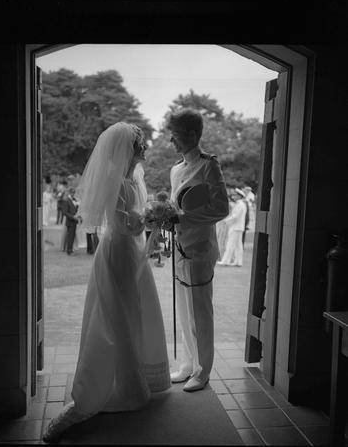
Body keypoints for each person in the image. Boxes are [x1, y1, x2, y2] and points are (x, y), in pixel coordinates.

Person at [43, 122, 170, 443]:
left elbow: (135, 218)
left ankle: (133, 379)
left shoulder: (134, 178)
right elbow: (124, 224)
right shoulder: (114, 178)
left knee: (134, 313)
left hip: (134, 252)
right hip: (117, 254)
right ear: (127, 148)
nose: (144, 148)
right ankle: (108, 389)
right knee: (115, 320)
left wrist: (153, 214)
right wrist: (152, 218)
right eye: (139, 144)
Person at [166, 108, 229, 392]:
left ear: (192, 135)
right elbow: (175, 207)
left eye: (175, 135)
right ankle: (189, 364)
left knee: (200, 312)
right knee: (184, 310)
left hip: (200, 250)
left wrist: (181, 219)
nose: (171, 141)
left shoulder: (208, 166)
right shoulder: (176, 169)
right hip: (179, 250)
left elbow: (221, 208)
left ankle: (203, 371)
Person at [219, 188, 247, 267]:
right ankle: (238, 262)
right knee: (238, 246)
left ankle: (225, 261)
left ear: (239, 196)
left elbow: (235, 217)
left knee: (230, 244)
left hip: (236, 227)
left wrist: (226, 221)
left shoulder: (240, 205)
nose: (234, 196)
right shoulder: (240, 204)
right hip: (238, 227)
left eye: (236, 195)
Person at [61, 187, 80, 256]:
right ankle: (69, 250)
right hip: (70, 221)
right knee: (70, 236)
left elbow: (76, 209)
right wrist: (73, 216)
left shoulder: (74, 200)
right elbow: (64, 212)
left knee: (72, 236)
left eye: (74, 192)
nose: (73, 194)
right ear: (69, 193)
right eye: (72, 192)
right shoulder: (67, 200)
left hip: (74, 221)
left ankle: (71, 249)